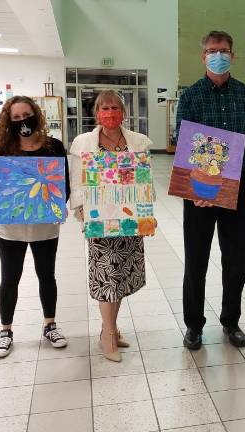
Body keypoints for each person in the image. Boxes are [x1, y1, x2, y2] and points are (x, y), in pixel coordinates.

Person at [176, 30, 245, 350]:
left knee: (235, 260)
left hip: (237, 185)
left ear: (233, 54)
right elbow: (184, 144)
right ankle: (194, 325)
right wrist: (192, 188)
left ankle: (231, 321)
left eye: (225, 50)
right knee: (196, 260)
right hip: (201, 187)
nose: (219, 54)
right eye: (213, 50)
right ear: (203, 56)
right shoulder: (190, 96)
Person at [70, 90, 156, 362]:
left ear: (124, 112)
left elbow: (145, 182)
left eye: (115, 108)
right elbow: (75, 181)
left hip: (128, 220)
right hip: (99, 221)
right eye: (104, 108)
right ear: (96, 113)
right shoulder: (83, 142)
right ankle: (108, 335)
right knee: (106, 276)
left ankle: (112, 328)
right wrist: (82, 211)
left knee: (119, 278)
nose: (110, 113)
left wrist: (147, 214)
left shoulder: (138, 142)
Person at [0, 96, 69, 358]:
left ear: (36, 115)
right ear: (8, 123)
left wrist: (60, 203)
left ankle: (50, 325)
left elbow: (63, 185)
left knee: (47, 275)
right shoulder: (1, 150)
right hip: (11, 228)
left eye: (27, 115)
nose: (23, 121)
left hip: (44, 226)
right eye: (16, 118)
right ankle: (6, 331)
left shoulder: (54, 147)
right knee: (10, 278)